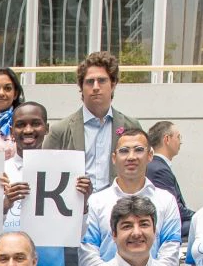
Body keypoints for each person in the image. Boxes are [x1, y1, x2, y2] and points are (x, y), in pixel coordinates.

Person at [0, 101, 82, 266]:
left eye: (35, 123)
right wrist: (4, 205)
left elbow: (77, 232)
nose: (28, 130)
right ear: (11, 130)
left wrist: (82, 204)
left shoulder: (66, 170)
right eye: (20, 124)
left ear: (47, 128)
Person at [79, 126, 184, 266]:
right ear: (114, 158)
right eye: (124, 151)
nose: (131, 157)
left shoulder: (166, 200)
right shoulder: (96, 201)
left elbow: (170, 252)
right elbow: (88, 253)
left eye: (139, 150)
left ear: (150, 155)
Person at [45, 51, 140, 199]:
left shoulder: (131, 126)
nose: (96, 87)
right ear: (81, 87)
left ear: (113, 83)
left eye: (102, 81)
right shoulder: (60, 130)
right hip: (74, 209)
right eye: (90, 81)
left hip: (119, 210)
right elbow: (46, 174)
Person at [146, 119, 185, 209]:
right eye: (178, 137)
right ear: (167, 139)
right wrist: (198, 216)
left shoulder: (154, 165)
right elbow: (173, 207)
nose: (181, 142)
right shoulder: (159, 170)